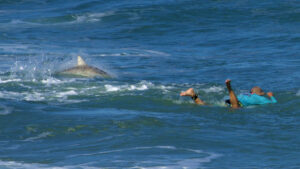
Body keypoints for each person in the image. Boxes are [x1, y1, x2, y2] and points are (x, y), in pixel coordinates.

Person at [180, 79, 277, 108]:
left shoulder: (246, 94)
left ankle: (192, 94)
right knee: (236, 108)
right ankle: (229, 87)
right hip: (236, 103)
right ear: (260, 94)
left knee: (206, 105)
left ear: (251, 92)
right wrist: (271, 96)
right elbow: (274, 103)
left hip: (229, 100)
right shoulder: (260, 98)